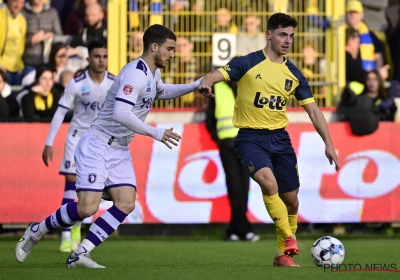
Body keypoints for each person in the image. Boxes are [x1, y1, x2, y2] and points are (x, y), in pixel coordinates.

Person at [16, 24, 202, 268]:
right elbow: (121, 113)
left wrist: (195, 84)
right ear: (154, 46)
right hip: (98, 144)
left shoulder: (152, 73)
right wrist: (156, 132)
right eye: (169, 49)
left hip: (120, 149)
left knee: (126, 202)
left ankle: (80, 253)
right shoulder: (135, 73)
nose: (172, 54)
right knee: (86, 208)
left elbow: (162, 91)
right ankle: (37, 230)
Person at [198, 13, 340, 267]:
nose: (287, 40)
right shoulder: (248, 62)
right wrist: (207, 83)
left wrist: (328, 143)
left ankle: (282, 256)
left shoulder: (294, 73)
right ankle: (289, 237)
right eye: (283, 34)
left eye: (291, 36)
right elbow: (215, 74)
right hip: (250, 138)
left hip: (279, 139)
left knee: (292, 200)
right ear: (269, 34)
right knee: (268, 182)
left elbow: (314, 111)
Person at [41, 41, 112, 253]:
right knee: (70, 185)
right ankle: (64, 236)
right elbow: (61, 112)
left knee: (87, 192)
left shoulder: (114, 83)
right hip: (76, 138)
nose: (101, 60)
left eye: (104, 56)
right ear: (89, 59)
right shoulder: (77, 83)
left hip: (98, 142)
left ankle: (76, 230)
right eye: (97, 56)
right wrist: (48, 142)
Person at [205, 77, 259, 242]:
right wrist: (219, 140)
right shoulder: (219, 88)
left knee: (243, 188)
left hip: (246, 146)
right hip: (228, 145)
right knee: (236, 188)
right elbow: (210, 119)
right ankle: (244, 229)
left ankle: (235, 229)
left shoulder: (250, 87)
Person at [0, 0, 27, 85]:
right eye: (16, 1)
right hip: (2, 68)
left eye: (22, 2)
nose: (18, 5)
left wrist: (20, 64)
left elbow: (20, 45)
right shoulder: (1, 16)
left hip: (16, 69)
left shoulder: (22, 19)